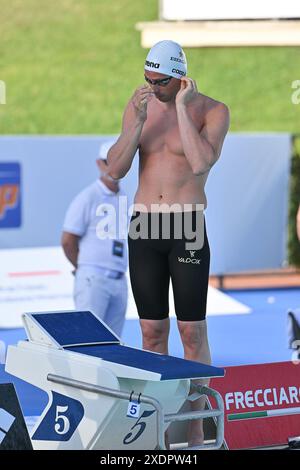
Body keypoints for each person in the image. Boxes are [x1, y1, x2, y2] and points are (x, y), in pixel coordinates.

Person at [107, 40, 230, 446]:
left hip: (187, 227)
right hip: (145, 226)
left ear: (179, 77)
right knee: (151, 331)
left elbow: (200, 163)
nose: (151, 87)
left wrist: (179, 108)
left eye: (159, 82)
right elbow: (116, 167)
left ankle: (196, 431)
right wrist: (137, 121)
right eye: (147, 79)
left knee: (192, 333)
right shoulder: (139, 103)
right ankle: (155, 429)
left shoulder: (212, 110)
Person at [61, 139, 128, 337]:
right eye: (109, 161)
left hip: (119, 278)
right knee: (87, 339)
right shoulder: (88, 197)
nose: (115, 167)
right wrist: (83, 266)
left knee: (114, 343)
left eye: (120, 161)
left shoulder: (123, 197)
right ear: (99, 164)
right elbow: (68, 239)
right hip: (94, 278)